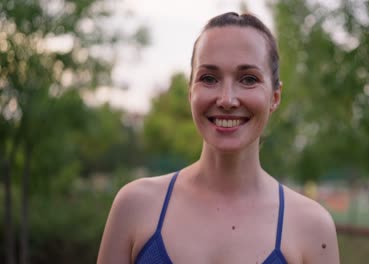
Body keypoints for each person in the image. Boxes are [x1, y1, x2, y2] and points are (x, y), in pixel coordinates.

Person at [97, 12, 340, 264]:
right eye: (209, 79)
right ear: (190, 90)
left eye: (248, 79)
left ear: (275, 97)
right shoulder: (135, 206)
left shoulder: (312, 228)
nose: (226, 99)